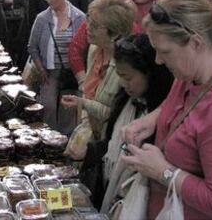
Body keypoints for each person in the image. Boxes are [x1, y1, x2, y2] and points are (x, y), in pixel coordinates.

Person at [121, 0, 212, 219]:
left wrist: (163, 172)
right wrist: (152, 119)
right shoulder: (189, 73)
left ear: (195, 43)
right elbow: (180, 103)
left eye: (165, 52)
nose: (158, 60)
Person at [73, 34, 173, 209]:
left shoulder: (160, 118)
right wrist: (89, 151)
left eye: (127, 77)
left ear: (151, 74)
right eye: (119, 76)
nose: (122, 83)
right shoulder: (125, 102)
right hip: (110, 191)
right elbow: (112, 144)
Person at [62, 0, 135, 140]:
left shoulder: (126, 68)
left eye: (94, 25)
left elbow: (118, 115)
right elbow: (88, 91)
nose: (87, 28)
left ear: (114, 34)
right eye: (88, 21)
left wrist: (83, 103)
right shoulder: (94, 49)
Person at [28, 0, 85, 134]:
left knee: (68, 110)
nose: (49, 1)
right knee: (48, 107)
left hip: (71, 73)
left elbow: (85, 47)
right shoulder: (42, 18)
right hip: (49, 72)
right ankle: (49, 138)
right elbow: (32, 47)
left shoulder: (79, 17)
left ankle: (65, 141)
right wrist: (40, 69)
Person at [0, 0, 24, 64]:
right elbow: (1, 2)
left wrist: (13, 1)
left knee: (20, 40)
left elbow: (23, 0)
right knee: (9, 41)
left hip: (20, 18)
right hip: (8, 18)